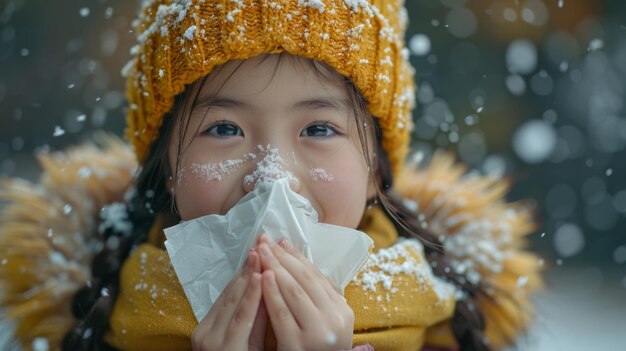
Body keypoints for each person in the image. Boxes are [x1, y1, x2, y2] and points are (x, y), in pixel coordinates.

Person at [0, 1, 543, 350]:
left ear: (376, 168)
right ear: (166, 167)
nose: (271, 178)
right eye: (225, 129)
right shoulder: (89, 323)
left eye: (320, 130)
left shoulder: (452, 331)